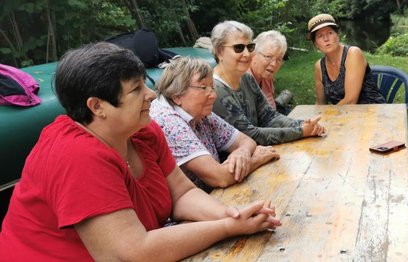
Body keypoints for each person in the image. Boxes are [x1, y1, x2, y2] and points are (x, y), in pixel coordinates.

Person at [0, 42, 281, 261]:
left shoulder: (142, 131)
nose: (151, 94)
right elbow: (131, 254)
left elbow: (180, 194)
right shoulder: (76, 155)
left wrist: (230, 214)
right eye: (136, 89)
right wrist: (227, 228)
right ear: (97, 106)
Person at [151, 56, 280, 193]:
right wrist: (256, 159)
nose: (213, 95)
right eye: (203, 88)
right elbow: (220, 177)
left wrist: (242, 153)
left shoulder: (198, 111)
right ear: (176, 96)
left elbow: (246, 141)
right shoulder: (169, 122)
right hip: (191, 208)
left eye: (212, 87)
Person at [210, 20, 325, 146]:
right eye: (239, 48)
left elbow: (269, 116)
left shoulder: (247, 78)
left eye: (250, 47)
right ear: (220, 52)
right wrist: (301, 131)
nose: (247, 54)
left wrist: (303, 124)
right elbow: (250, 135)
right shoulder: (215, 89)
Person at [307, 13, 386, 105]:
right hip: (343, 116)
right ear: (315, 44)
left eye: (330, 33)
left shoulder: (353, 54)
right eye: (320, 36)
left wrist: (329, 116)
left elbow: (351, 100)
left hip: (372, 112)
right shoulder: (319, 66)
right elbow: (321, 103)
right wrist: (316, 118)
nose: (326, 39)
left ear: (338, 35)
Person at [249, 30, 292, 114]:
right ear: (254, 54)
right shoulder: (241, 80)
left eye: (279, 59)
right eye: (268, 57)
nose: (274, 64)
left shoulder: (267, 77)